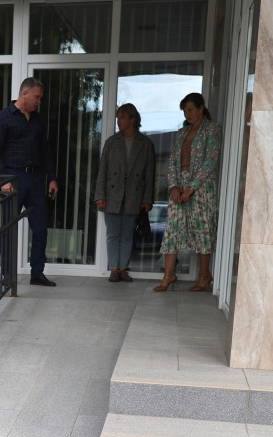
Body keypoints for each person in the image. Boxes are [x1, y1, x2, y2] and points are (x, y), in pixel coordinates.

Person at [0, 77, 60, 287]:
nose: (39, 101)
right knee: (8, 228)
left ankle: (37, 273)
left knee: (40, 228)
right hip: (13, 177)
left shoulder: (38, 120)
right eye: (37, 97)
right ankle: (7, 275)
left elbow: (45, 150)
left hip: (36, 178)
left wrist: (52, 178)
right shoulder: (2, 118)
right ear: (24, 94)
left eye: (40, 98)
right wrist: (3, 179)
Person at [155, 93, 222, 292]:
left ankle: (204, 275)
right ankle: (168, 275)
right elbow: (173, 161)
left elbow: (210, 160)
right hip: (180, 184)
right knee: (172, 229)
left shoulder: (212, 129)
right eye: (185, 111)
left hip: (201, 188)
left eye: (190, 110)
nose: (187, 114)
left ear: (201, 108)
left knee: (202, 230)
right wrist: (174, 186)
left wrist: (192, 187)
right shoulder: (182, 132)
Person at [94, 103, 156, 282]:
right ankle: (114, 268)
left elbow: (149, 174)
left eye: (122, 117)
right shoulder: (112, 142)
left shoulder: (145, 144)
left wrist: (147, 199)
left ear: (132, 119)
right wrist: (100, 195)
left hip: (134, 196)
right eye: (118, 117)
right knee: (113, 233)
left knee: (128, 234)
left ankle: (123, 268)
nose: (118, 121)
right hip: (112, 195)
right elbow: (102, 170)